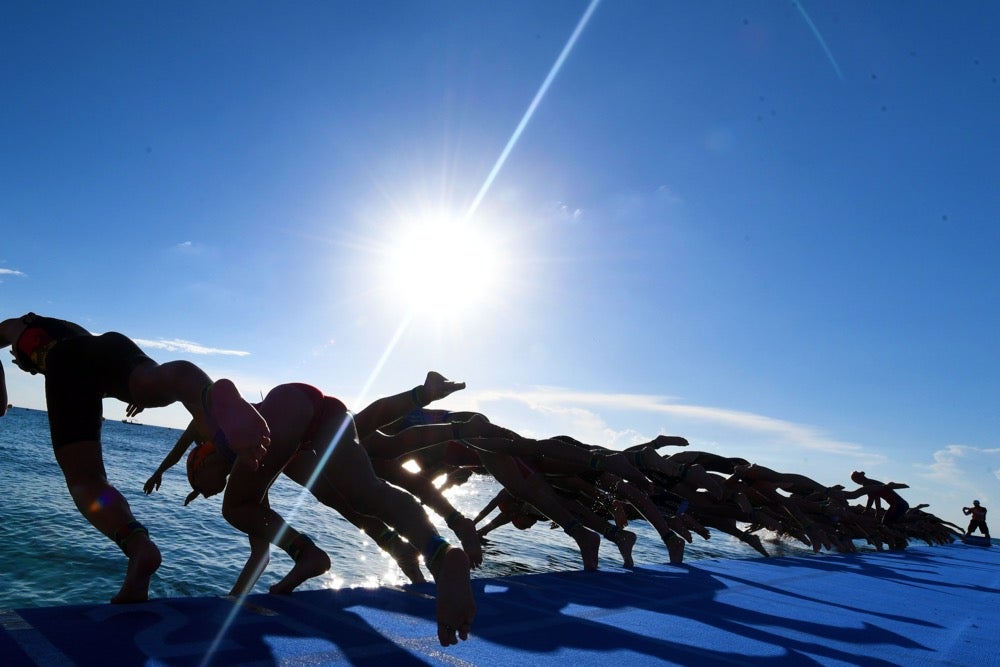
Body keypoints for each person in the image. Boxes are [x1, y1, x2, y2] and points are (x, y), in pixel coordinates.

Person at [166, 378, 476, 647]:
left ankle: (307, 554)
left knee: (234, 508)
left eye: (199, 484)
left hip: (287, 408)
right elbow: (259, 543)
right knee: (366, 494)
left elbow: (200, 401)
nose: (207, 492)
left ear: (202, 460)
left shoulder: (222, 436)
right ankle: (439, 553)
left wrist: (164, 467)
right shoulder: (253, 470)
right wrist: (237, 596)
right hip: (324, 412)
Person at [0, 312, 269, 604]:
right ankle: (209, 395)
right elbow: (94, 362)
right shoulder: (63, 326)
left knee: (85, 479)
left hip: (66, 363)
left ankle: (139, 546)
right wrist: (131, 396)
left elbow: (1, 405)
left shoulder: (11, 328)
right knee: (154, 381)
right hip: (112, 346)